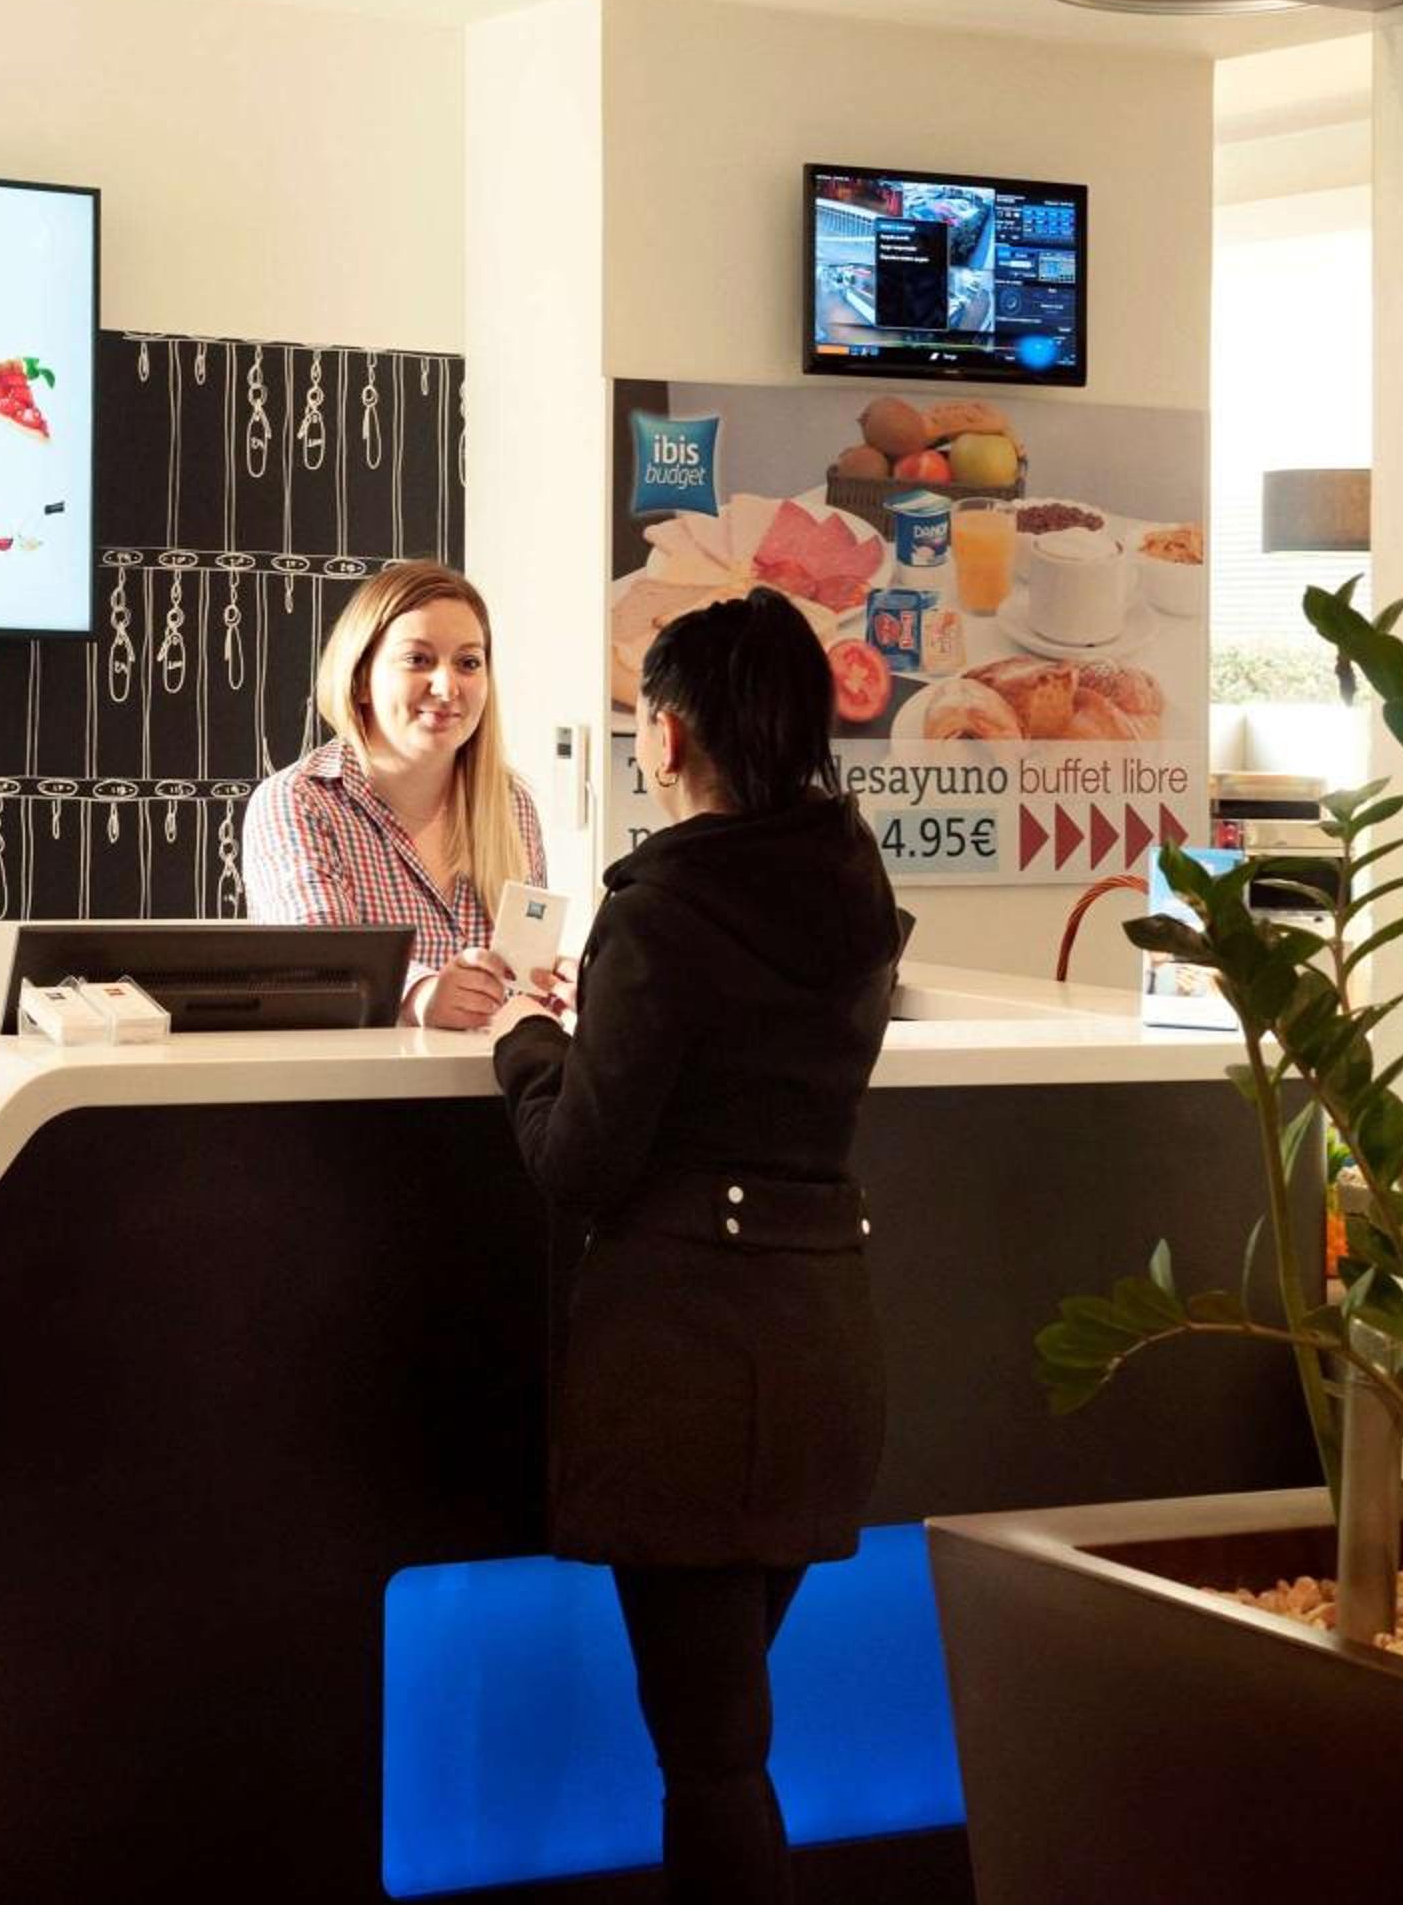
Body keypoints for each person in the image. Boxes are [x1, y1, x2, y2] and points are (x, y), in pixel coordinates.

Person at [490, 588, 901, 1905]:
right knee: (724, 1731)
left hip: (689, 1372)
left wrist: (528, 1046)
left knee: (713, 1756)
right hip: (822, 1353)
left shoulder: (662, 910)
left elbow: (580, 1164)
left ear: (665, 737)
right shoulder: (855, 881)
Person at [241, 559, 548, 1029]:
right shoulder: (298, 801)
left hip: (495, 1075)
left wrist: (557, 989)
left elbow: (522, 982)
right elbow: (320, 963)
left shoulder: (512, 806)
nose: (447, 686)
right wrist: (422, 995)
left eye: (468, 663)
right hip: (357, 1078)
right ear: (360, 678)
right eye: (418, 659)